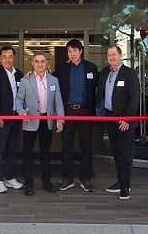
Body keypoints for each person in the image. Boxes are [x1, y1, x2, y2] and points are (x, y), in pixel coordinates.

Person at [16, 51, 65, 196]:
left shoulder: (53, 80)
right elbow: (18, 100)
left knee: (45, 153)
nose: (40, 64)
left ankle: (46, 182)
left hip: (46, 121)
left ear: (47, 63)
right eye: (36, 61)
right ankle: (28, 183)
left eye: (42, 61)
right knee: (28, 153)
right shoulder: (26, 80)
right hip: (30, 120)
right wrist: (21, 112)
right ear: (32, 63)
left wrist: (60, 120)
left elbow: (59, 102)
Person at [53, 38, 99, 192]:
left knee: (86, 147)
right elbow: (49, 81)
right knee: (67, 147)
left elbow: (102, 87)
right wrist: (30, 75)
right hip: (68, 111)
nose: (72, 54)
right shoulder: (62, 69)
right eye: (69, 51)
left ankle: (85, 178)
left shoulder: (91, 68)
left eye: (75, 50)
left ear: (81, 51)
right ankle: (68, 178)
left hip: (86, 112)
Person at [96, 44, 140, 200]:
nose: (111, 58)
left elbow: (135, 98)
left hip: (124, 120)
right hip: (110, 117)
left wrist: (127, 118)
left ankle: (125, 186)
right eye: (109, 55)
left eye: (114, 54)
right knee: (116, 152)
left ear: (120, 56)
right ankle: (120, 181)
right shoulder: (105, 73)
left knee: (126, 154)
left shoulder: (129, 73)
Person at [0, 45, 24, 193]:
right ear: (0, 58)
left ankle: (9, 178)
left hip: (15, 117)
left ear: (14, 58)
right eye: (4, 57)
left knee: (11, 149)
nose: (7, 59)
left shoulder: (19, 74)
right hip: (2, 119)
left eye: (10, 56)